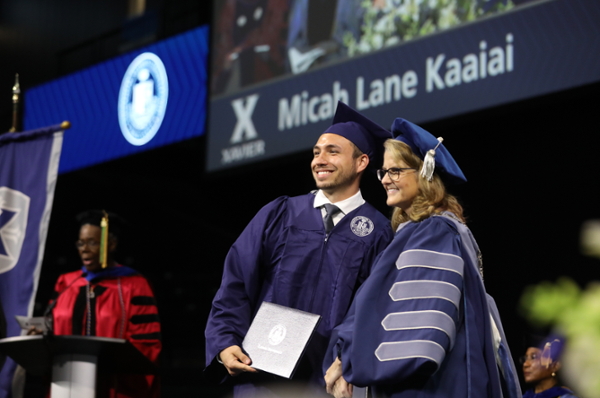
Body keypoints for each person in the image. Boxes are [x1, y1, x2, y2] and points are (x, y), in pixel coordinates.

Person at [204, 102, 394, 397]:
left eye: (333, 151)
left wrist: (351, 360)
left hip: (327, 382)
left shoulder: (377, 231)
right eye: (316, 152)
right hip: (260, 376)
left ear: (361, 162)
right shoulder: (280, 213)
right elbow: (235, 283)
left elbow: (376, 309)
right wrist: (224, 342)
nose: (320, 159)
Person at [324, 118, 522, 398]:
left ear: (426, 173)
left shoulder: (436, 231)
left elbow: (415, 324)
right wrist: (343, 352)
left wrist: (350, 358)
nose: (384, 179)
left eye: (395, 170)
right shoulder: (414, 233)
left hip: (431, 386)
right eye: (383, 171)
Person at [35, 210, 161, 398]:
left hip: (114, 387)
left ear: (111, 244)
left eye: (92, 242)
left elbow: (146, 345)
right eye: (81, 243)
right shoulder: (66, 283)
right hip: (65, 385)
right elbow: (51, 325)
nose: (84, 249)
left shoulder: (133, 284)